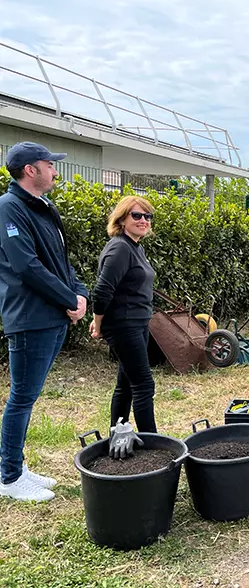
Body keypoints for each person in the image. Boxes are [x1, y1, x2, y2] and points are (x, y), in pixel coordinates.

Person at [0, 142, 89, 502]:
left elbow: (60, 260)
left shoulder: (43, 208)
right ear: (30, 170)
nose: (55, 169)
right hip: (30, 318)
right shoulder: (9, 208)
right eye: (49, 164)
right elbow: (27, 267)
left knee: (29, 395)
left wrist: (80, 294)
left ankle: (17, 467)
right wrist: (69, 300)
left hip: (52, 317)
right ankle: (8, 476)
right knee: (22, 397)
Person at [90, 196, 157, 437]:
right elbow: (102, 290)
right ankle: (154, 443)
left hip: (138, 322)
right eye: (136, 215)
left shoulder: (135, 247)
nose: (143, 221)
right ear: (121, 219)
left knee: (126, 384)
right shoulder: (120, 247)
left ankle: (116, 434)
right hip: (124, 325)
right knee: (144, 385)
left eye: (147, 216)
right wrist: (98, 324)